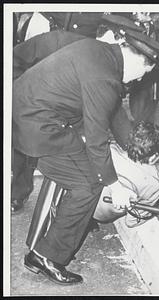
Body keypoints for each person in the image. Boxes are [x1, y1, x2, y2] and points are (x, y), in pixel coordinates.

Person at [12, 28, 159, 285]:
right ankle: (46, 256)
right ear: (138, 61)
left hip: (25, 109)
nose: (139, 79)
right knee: (90, 182)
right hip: (35, 126)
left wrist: (131, 151)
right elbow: (97, 138)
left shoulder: (98, 50)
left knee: (83, 165)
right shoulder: (105, 79)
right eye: (144, 73)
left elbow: (107, 114)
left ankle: (76, 216)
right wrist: (114, 185)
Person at [11, 15, 145, 214]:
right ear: (113, 38)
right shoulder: (58, 42)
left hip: (54, 113)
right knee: (22, 147)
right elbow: (14, 58)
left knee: (74, 155)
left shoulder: (103, 66)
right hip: (22, 102)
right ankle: (16, 193)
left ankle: (78, 210)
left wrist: (133, 150)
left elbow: (113, 111)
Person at [93, 121, 159, 228]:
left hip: (80, 204)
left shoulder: (110, 150)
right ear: (154, 157)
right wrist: (150, 213)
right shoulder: (155, 185)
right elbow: (132, 221)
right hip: (100, 216)